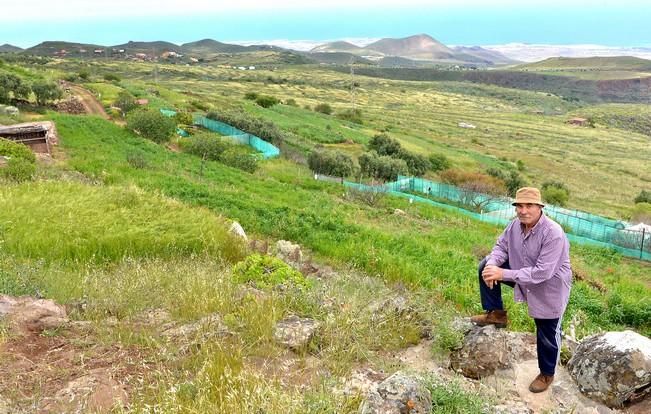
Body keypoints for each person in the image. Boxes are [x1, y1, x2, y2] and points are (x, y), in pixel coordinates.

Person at [471, 187, 572, 393]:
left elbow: (542, 273)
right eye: (519, 206)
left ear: (539, 207)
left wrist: (502, 274)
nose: (523, 211)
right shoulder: (514, 226)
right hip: (523, 276)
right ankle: (496, 314)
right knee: (485, 266)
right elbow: (500, 247)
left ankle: (546, 374)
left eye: (529, 206)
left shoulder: (553, 233)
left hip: (548, 287)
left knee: (547, 332)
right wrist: (493, 265)